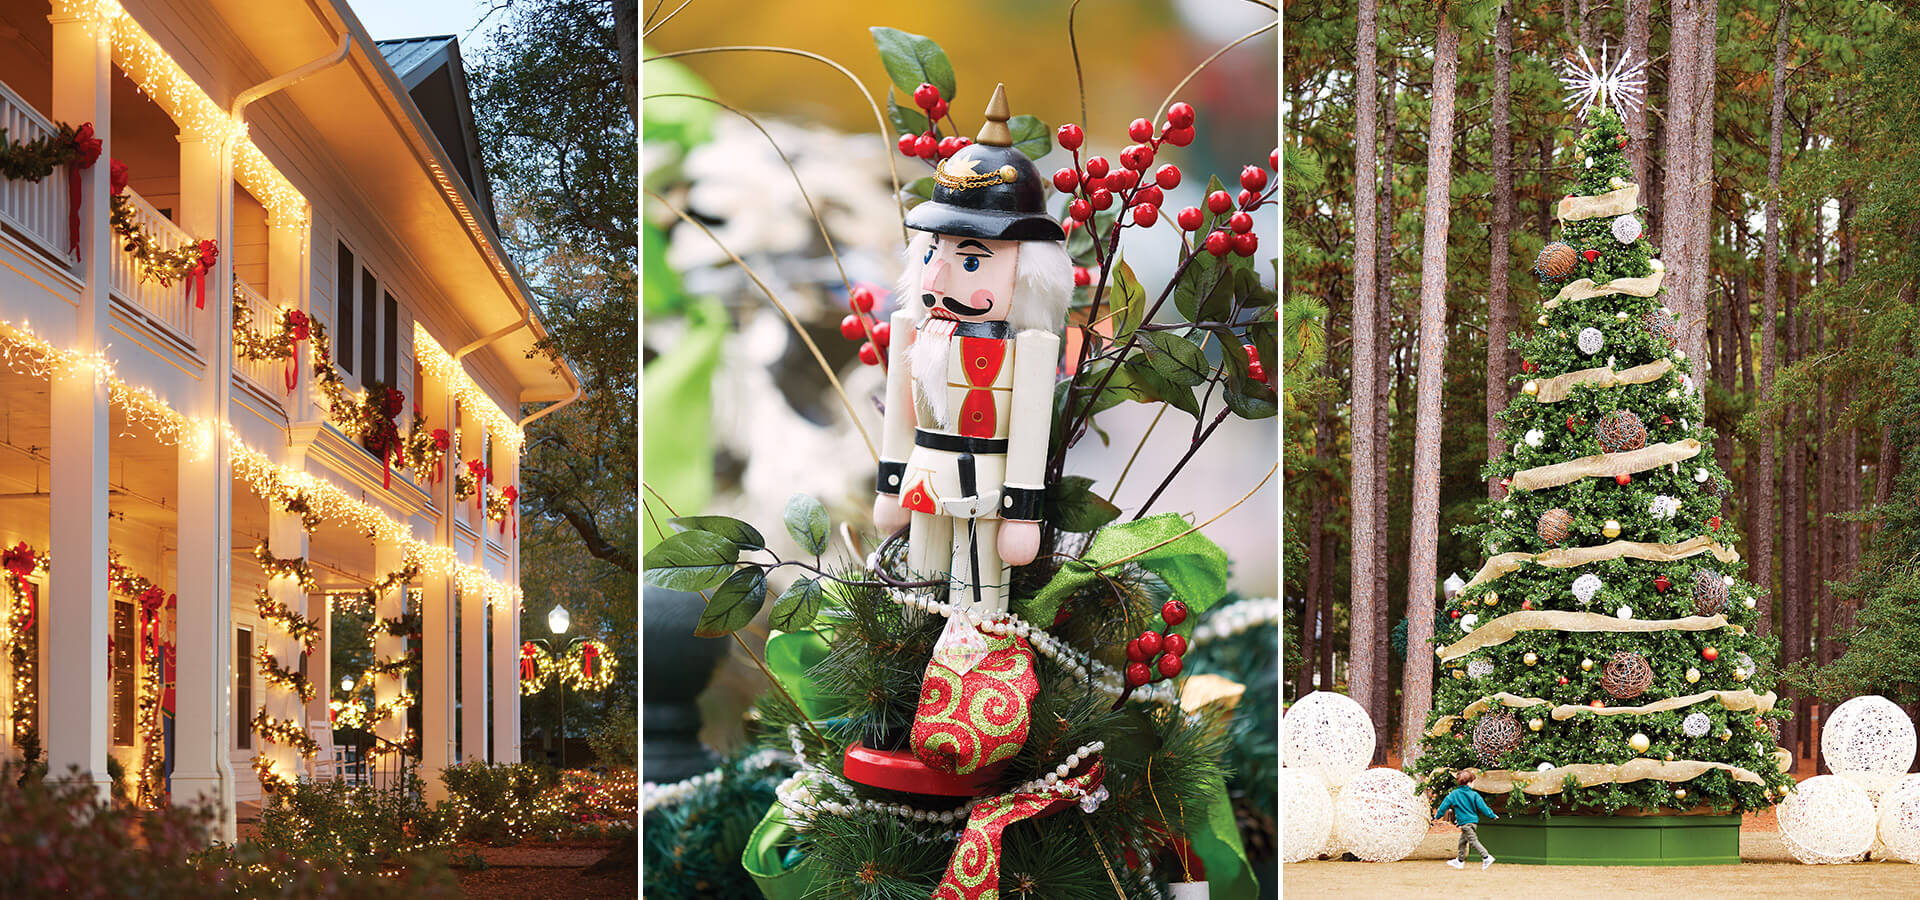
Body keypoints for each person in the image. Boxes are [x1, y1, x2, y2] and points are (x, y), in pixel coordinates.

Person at [1433, 768, 1498, 869]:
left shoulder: (1454, 794)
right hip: (1472, 822)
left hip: (1465, 823)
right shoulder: (1474, 794)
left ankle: (1486, 857)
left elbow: (1443, 806)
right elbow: (1483, 807)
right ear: (1469, 783)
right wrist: (1492, 815)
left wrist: (1437, 816)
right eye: (1473, 782)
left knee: (1473, 841)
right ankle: (1460, 861)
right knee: (1462, 842)